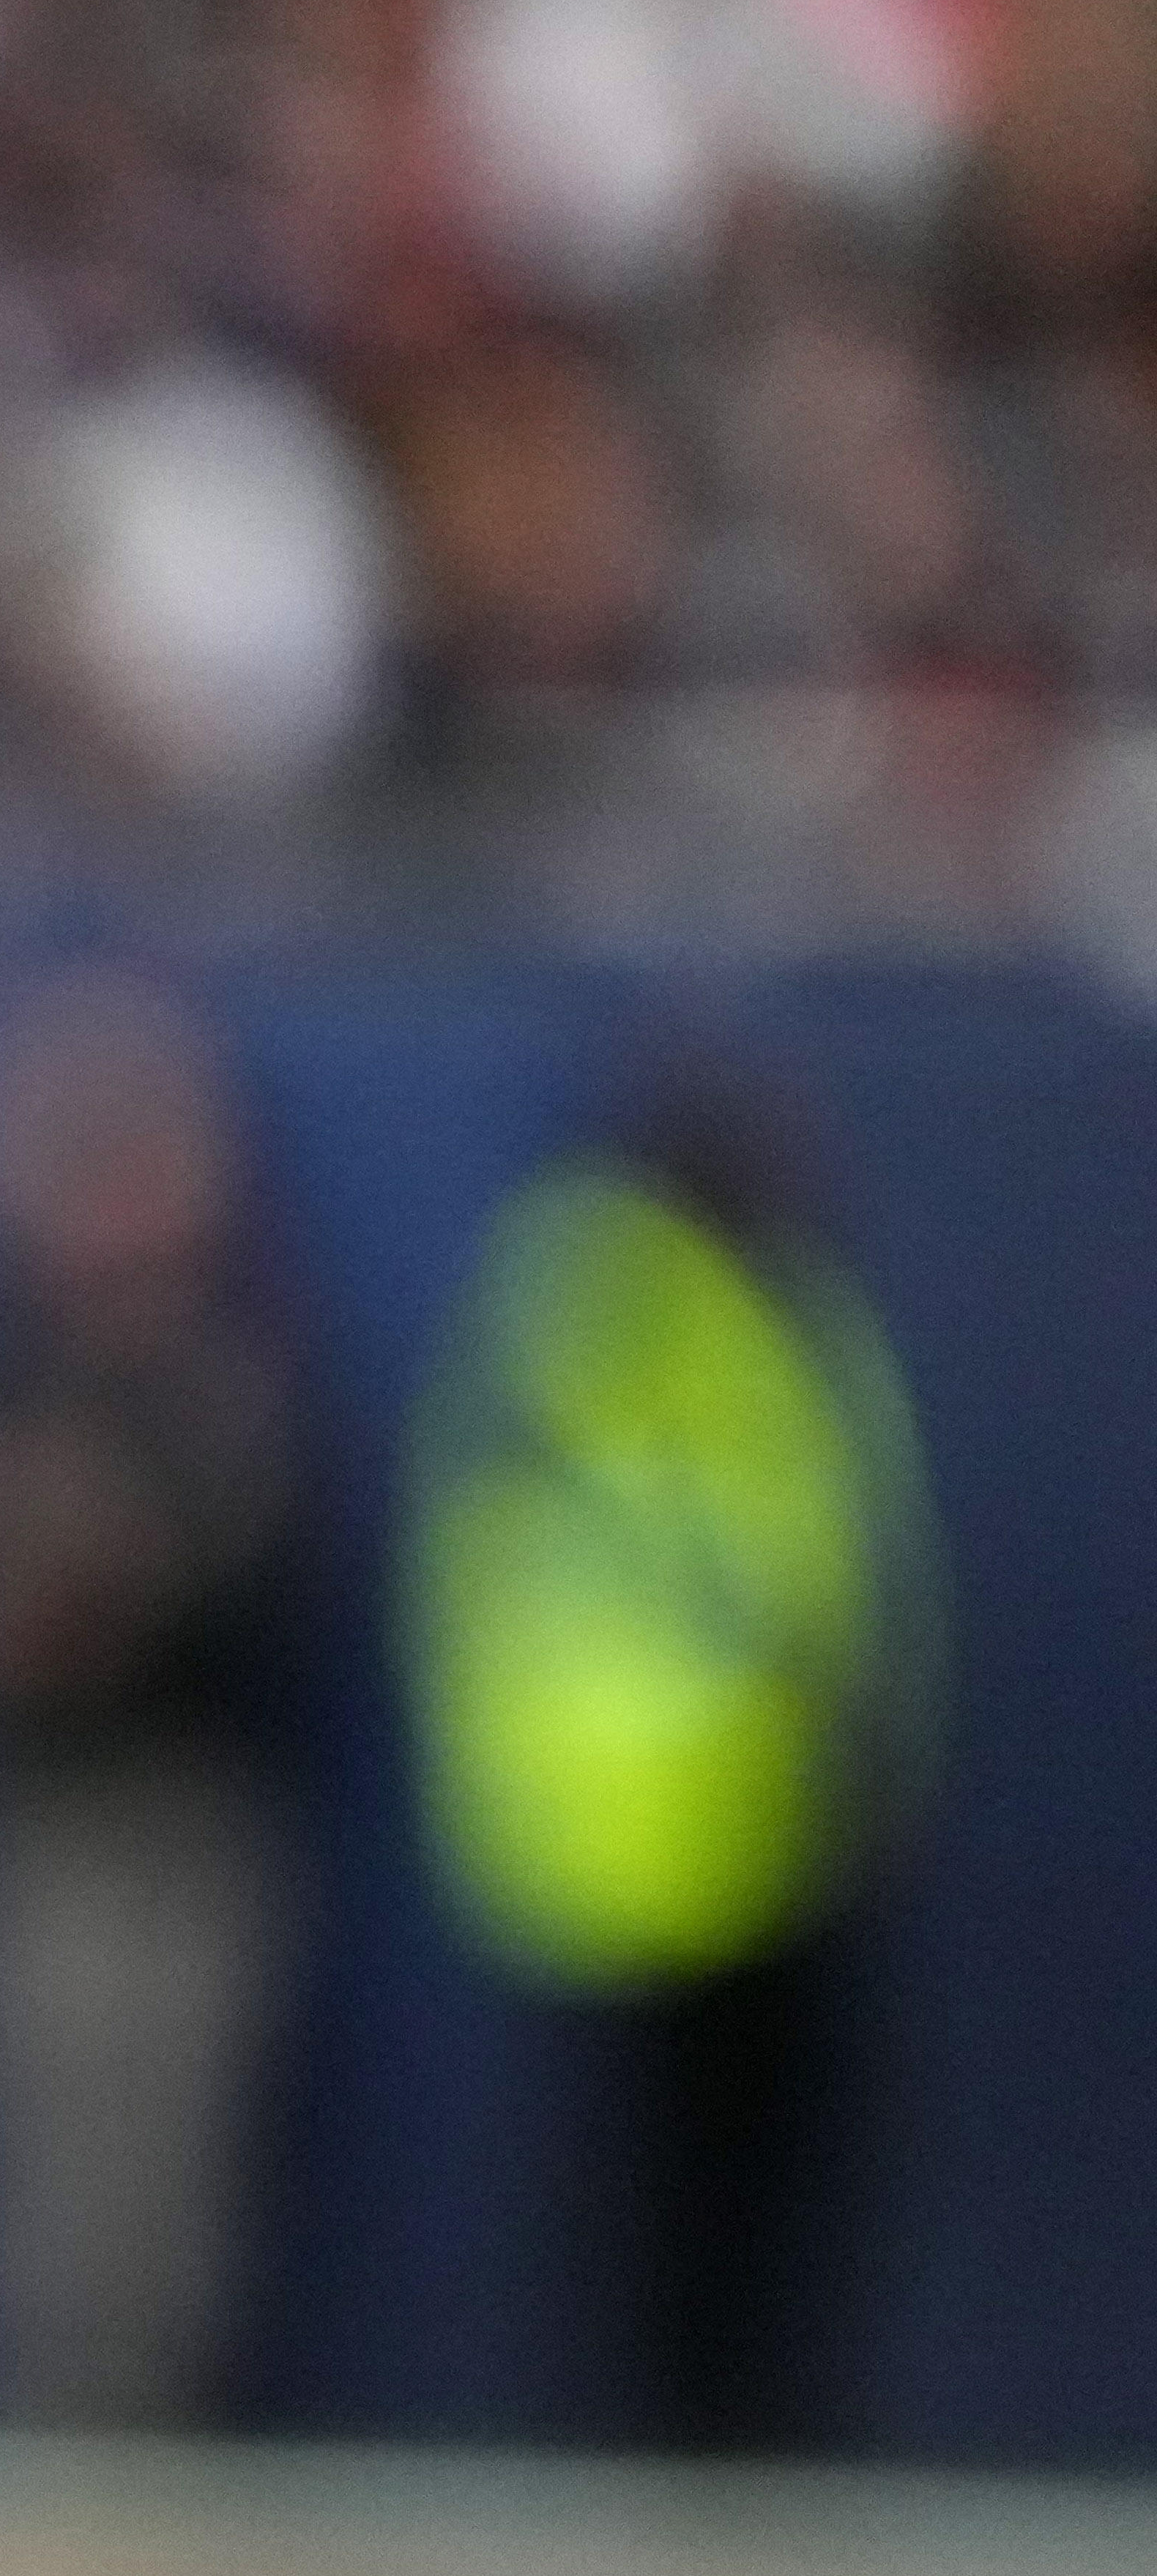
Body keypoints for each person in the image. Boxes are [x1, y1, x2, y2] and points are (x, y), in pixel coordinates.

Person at [401, 1050, 941, 2454]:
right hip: (663, 1815)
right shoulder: (625, 1304)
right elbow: (732, 1563)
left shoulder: (751, 1305)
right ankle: (660, 2471)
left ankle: (715, 2464)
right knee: (656, 2205)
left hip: (757, 1817)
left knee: (741, 2199)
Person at [0, 970, 311, 2430]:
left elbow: (163, 1582)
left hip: (150, 1827)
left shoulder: (219, 1359)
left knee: (138, 2217)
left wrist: (65, 1571)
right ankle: (34, 2484)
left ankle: (119, 2483)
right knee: (1, 2198)